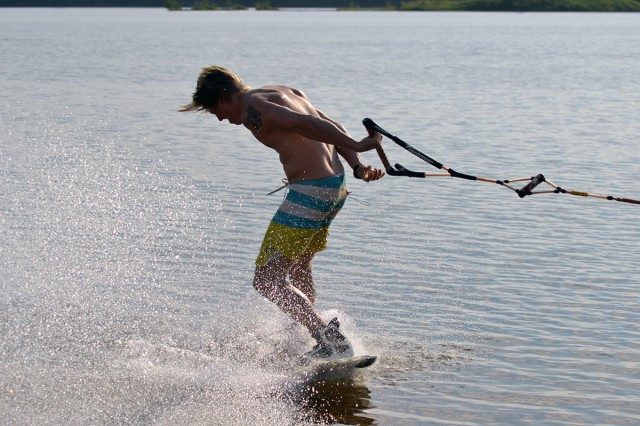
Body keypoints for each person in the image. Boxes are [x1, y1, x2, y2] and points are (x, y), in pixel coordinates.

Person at [181, 66, 384, 361]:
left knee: (266, 280)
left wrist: (357, 146)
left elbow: (307, 125)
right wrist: (356, 165)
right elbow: (328, 124)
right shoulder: (284, 91)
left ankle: (328, 338)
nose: (222, 119)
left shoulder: (253, 108)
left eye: (215, 111)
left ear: (223, 97)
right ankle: (308, 328)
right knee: (300, 264)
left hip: (310, 195)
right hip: (334, 188)